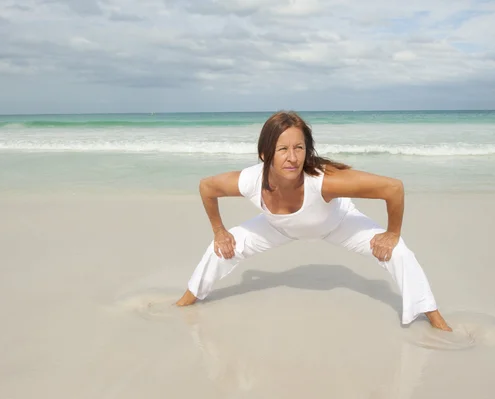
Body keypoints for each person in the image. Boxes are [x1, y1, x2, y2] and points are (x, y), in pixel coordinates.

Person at [176, 111, 452, 332]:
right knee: (220, 248)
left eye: (299, 147)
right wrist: (219, 230)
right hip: (277, 225)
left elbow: (393, 188)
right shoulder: (250, 180)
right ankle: (186, 300)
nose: (293, 158)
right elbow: (206, 187)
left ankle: (433, 316)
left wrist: (392, 233)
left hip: (337, 224)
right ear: (265, 154)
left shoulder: (324, 182)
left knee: (399, 251)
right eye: (282, 149)